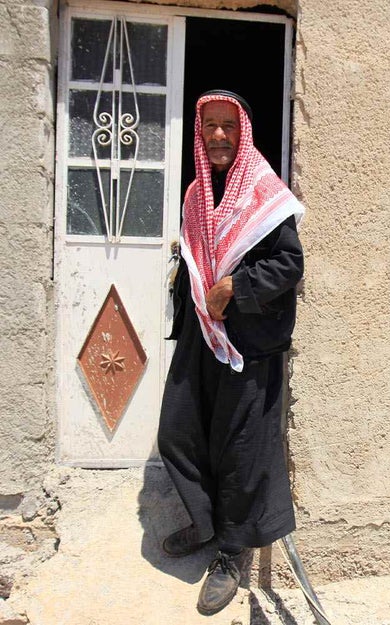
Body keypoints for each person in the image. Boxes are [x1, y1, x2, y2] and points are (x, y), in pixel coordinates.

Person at [158, 90, 305, 615]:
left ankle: (230, 552)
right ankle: (203, 523)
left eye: (228, 126)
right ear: (200, 135)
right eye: (210, 127)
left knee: (241, 451)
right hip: (203, 333)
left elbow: (288, 266)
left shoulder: (265, 194)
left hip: (248, 342)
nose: (218, 136)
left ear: (243, 132)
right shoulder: (198, 193)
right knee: (179, 431)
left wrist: (235, 288)